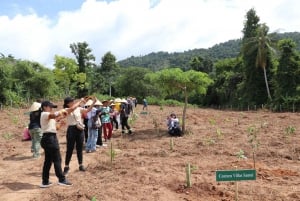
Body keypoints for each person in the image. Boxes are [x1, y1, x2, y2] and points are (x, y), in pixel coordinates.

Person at [39, 100, 80, 188]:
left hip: (48, 138)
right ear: (45, 107)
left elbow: (54, 128)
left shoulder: (48, 117)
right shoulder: (44, 114)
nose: (51, 109)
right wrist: (64, 111)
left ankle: (45, 181)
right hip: (50, 139)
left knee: (48, 161)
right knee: (57, 159)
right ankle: (61, 179)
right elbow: (55, 115)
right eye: (50, 107)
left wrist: (60, 124)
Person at [63, 96, 96, 176]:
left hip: (79, 128)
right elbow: (73, 108)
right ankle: (66, 167)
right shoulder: (66, 110)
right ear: (67, 103)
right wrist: (80, 101)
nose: (73, 102)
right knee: (70, 148)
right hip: (71, 129)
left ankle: (81, 165)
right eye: (72, 101)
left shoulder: (78, 108)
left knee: (79, 148)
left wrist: (93, 103)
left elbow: (87, 110)